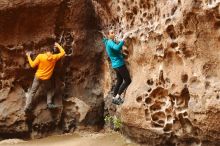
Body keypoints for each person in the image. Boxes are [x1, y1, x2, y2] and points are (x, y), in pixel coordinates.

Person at [24, 42, 66, 113]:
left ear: (45, 51)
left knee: (32, 92)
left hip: (38, 77)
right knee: (49, 89)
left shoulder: (41, 56)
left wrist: (28, 56)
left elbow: (32, 65)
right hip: (46, 78)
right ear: (52, 51)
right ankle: (49, 103)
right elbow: (63, 52)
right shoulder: (54, 57)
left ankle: (27, 107)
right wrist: (58, 45)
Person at [103, 30, 131, 105]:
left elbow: (115, 49)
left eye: (113, 32)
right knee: (128, 80)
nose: (113, 34)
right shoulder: (109, 42)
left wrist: (119, 39)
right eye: (111, 33)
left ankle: (113, 98)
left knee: (119, 81)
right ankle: (117, 97)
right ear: (108, 35)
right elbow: (117, 48)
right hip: (119, 64)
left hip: (115, 65)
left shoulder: (108, 42)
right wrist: (124, 38)